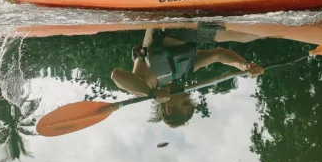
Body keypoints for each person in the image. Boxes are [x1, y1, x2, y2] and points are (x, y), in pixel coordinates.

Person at [109, 26, 264, 128]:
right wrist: (243, 66)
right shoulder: (184, 71)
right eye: (190, 101)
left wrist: (152, 94)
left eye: (184, 102)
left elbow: (116, 76)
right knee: (253, 34)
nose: (188, 96)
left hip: (170, 27)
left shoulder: (147, 86)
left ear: (168, 107)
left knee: (247, 35)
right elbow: (219, 54)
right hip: (190, 29)